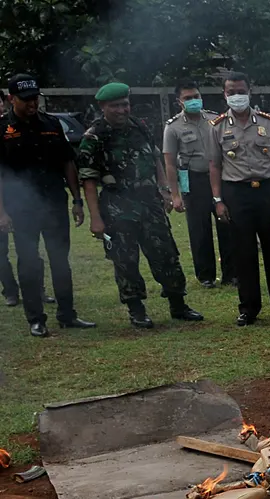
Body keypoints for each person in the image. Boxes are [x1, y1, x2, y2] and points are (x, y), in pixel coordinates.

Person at [78, 82, 202, 329]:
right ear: (103, 106)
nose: (122, 110)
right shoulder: (94, 136)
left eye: (125, 104)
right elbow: (89, 179)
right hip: (117, 206)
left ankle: (178, 305)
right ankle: (136, 309)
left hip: (149, 203)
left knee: (166, 254)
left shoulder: (139, 126)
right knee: (126, 261)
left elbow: (155, 157)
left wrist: (165, 189)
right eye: (115, 106)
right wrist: (95, 218)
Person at [0, 74, 92, 336]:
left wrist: (77, 200)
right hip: (21, 207)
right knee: (29, 263)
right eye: (26, 100)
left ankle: (67, 314)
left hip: (54, 202)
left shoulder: (51, 123)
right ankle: (36, 319)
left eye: (35, 99)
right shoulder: (3, 130)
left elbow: (67, 163)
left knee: (60, 261)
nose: (32, 105)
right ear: (11, 99)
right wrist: (2, 212)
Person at [208, 71, 270, 326]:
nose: (237, 96)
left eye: (241, 91)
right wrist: (218, 199)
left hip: (267, 193)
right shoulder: (217, 127)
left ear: (250, 91)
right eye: (231, 92)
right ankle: (249, 309)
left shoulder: (268, 122)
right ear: (224, 94)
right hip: (236, 194)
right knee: (243, 254)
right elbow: (214, 166)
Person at [164, 79, 233, 289]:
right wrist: (175, 195)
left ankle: (232, 273)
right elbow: (169, 164)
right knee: (199, 229)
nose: (193, 101)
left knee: (227, 225)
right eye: (188, 98)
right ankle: (206, 276)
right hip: (193, 180)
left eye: (196, 96)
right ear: (179, 102)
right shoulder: (173, 127)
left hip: (220, 179)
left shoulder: (215, 120)